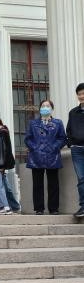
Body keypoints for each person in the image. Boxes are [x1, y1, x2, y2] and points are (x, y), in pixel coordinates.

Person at [24, 99, 67, 215]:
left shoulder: (58, 123)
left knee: (53, 184)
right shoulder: (33, 123)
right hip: (36, 157)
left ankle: (54, 208)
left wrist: (54, 147)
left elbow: (62, 138)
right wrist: (35, 148)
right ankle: (39, 209)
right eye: (43, 106)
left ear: (52, 109)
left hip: (52, 156)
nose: (45, 108)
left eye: (47, 106)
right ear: (39, 108)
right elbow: (27, 139)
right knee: (37, 184)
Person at [66, 82, 84, 218]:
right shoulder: (73, 112)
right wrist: (71, 144)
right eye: (79, 94)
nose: (81, 96)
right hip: (77, 150)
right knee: (81, 179)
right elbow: (69, 130)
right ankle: (83, 207)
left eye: (83, 93)